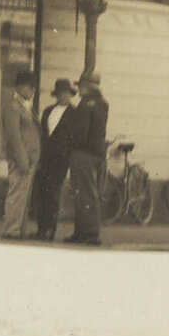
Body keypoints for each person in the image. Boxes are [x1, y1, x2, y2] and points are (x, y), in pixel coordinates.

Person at [64, 72, 109, 246]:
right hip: (95, 154)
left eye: (81, 86)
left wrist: (72, 145)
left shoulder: (86, 104)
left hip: (83, 154)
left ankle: (88, 233)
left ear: (89, 86)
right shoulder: (102, 103)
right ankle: (83, 232)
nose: (79, 89)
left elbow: (81, 132)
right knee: (86, 194)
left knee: (84, 195)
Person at [34, 77, 80, 241]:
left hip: (61, 160)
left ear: (70, 95)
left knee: (53, 193)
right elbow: (42, 135)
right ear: (56, 95)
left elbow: (76, 138)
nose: (63, 96)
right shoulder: (47, 111)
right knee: (41, 193)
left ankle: (50, 230)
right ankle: (41, 228)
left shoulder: (75, 113)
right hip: (45, 158)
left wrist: (68, 155)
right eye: (60, 93)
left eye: (66, 93)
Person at [0, 69, 41, 240]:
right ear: (22, 87)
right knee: (17, 194)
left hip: (29, 159)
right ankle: (11, 230)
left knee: (23, 196)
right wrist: (23, 160)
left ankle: (19, 229)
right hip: (21, 159)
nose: (32, 92)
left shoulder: (23, 106)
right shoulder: (13, 106)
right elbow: (14, 136)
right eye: (31, 88)